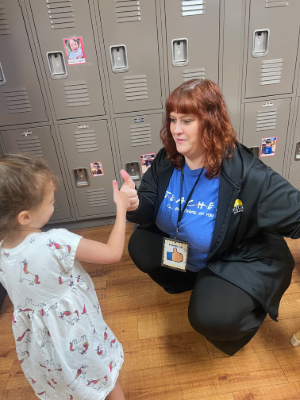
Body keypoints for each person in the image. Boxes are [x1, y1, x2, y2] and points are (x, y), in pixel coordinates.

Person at [119, 79, 300, 356]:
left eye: (187, 121)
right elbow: (149, 207)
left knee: (211, 317)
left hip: (234, 256)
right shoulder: (168, 159)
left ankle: (245, 304)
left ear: (211, 123)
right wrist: (135, 203)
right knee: (141, 246)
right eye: (172, 119)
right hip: (187, 248)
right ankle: (189, 280)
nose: (176, 130)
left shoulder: (248, 174)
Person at [0, 154, 129, 400]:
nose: (54, 203)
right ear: (24, 216)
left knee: (68, 388)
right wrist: (121, 208)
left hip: (43, 351)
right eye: (51, 200)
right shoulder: (55, 242)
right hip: (78, 335)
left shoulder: (2, 252)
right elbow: (113, 253)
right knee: (104, 374)